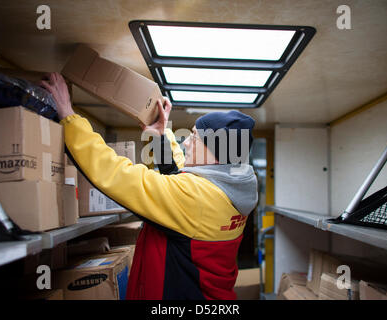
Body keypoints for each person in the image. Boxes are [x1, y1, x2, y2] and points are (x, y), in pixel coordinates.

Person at [42, 72, 258, 300]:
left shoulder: (195, 198)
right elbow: (182, 175)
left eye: (195, 137)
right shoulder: (233, 189)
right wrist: (160, 135)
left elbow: (116, 174)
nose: (186, 141)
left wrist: (68, 116)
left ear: (215, 155)